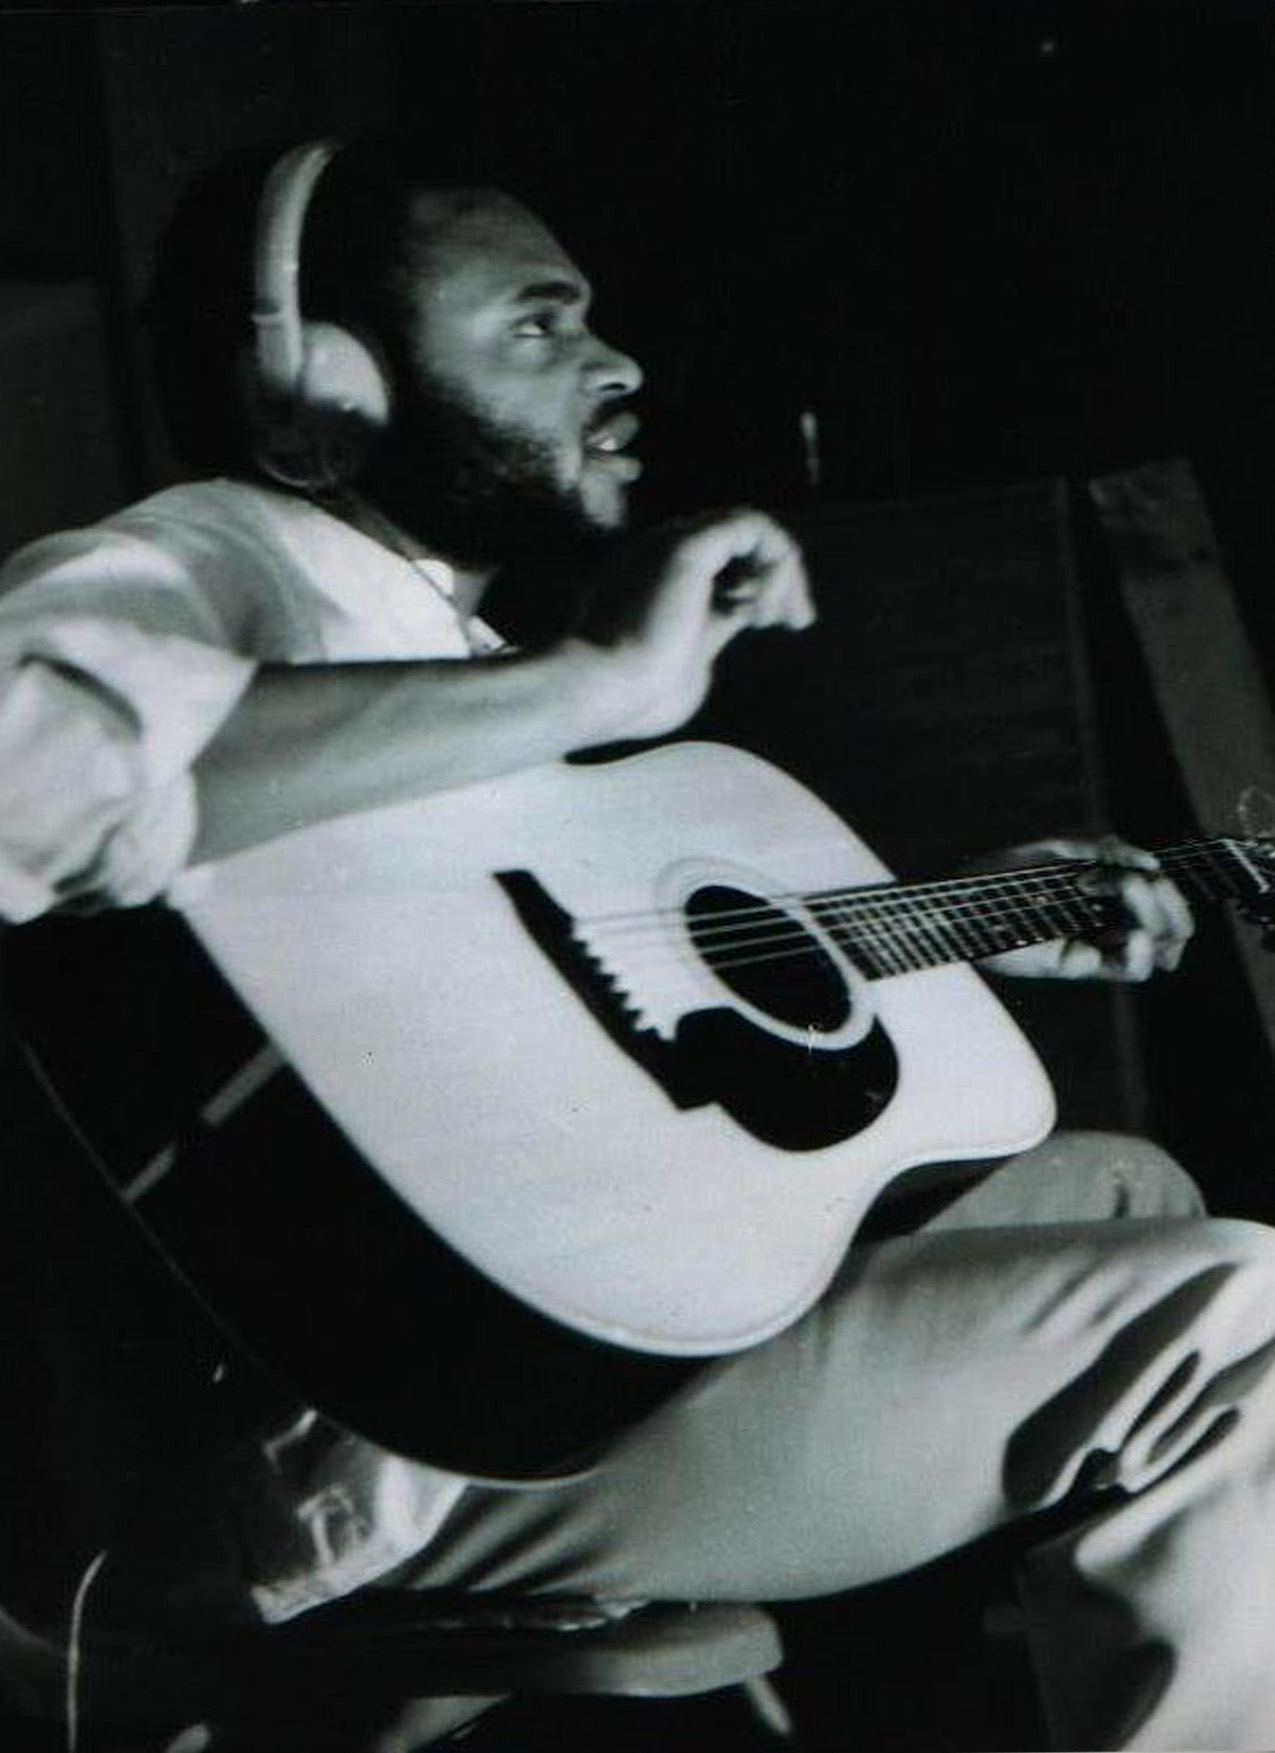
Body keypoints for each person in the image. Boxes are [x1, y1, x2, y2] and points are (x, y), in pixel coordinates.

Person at [0, 135, 1272, 1752]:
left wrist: (958, 923)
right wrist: (594, 683)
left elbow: (549, 1019)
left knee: (1125, 1190)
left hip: (540, 1373)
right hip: (393, 1449)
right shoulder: (208, 559)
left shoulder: (443, 639)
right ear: (318, 386)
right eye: (537, 327)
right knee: (1237, 1318)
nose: (615, 366)